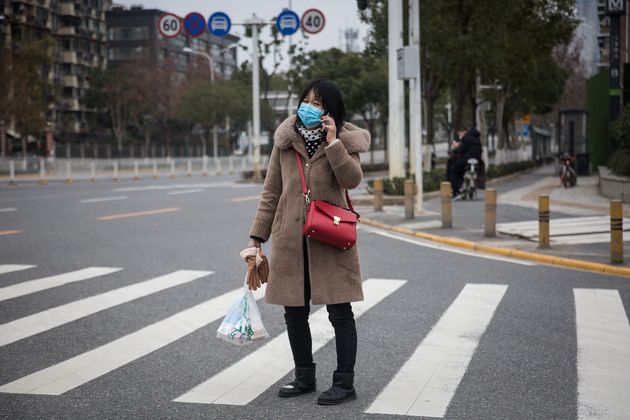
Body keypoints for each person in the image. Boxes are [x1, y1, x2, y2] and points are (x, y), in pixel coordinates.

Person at [246, 79, 370, 405]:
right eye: (306, 101)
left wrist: (333, 142)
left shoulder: (344, 140)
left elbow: (352, 180)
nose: (309, 107)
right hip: (291, 237)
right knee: (294, 312)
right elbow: (272, 191)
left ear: (330, 111)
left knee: (340, 312)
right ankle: (304, 376)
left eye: (318, 103)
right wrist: (257, 236)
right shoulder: (285, 141)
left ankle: (344, 383)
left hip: (330, 235)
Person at [448, 128, 483, 197]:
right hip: (477, 162)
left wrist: (454, 150)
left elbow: (461, 149)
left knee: (453, 171)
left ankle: (455, 191)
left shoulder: (467, 138)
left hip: (465, 160)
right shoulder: (478, 141)